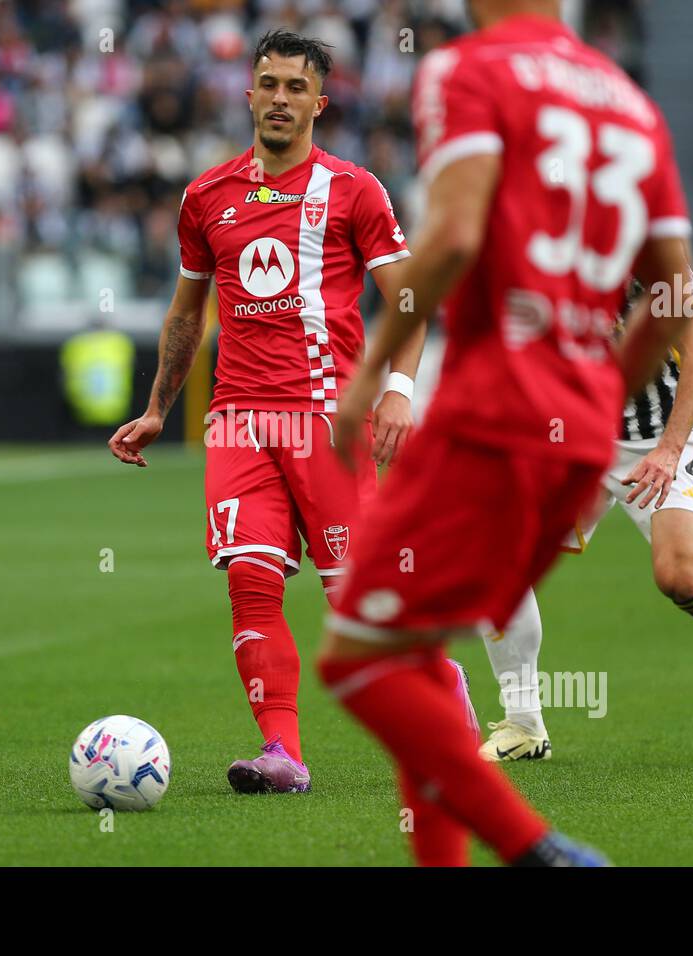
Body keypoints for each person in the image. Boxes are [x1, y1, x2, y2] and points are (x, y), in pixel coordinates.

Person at [318, 0, 693, 866]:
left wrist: (373, 375)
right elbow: (675, 299)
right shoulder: (631, 102)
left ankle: (541, 851)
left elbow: (451, 238)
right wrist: (602, 398)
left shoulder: (468, 69)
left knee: (357, 660)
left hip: (492, 417)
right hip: (579, 437)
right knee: (413, 655)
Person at [109, 30, 477, 795]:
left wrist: (400, 394)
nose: (279, 98)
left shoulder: (354, 190)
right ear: (249, 95)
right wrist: (156, 408)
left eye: (294, 87)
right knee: (250, 581)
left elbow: (409, 302)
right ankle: (283, 752)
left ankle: (446, 695)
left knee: (359, 603)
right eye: (267, 83)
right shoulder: (206, 196)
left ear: (320, 101)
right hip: (239, 421)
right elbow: (186, 315)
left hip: (328, 423)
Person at [478, 281, 693, 766]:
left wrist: (668, 450)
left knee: (681, 576)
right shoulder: (547, 245)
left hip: (671, 437)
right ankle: (523, 724)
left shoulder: (655, 254)